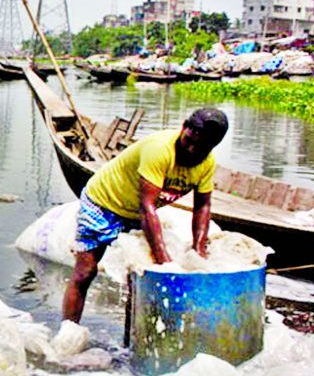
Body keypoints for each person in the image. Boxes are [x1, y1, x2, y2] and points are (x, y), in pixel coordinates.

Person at [62, 107, 229, 323]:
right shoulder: (160, 150)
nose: (192, 150)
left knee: (139, 278)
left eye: (201, 147)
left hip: (134, 212)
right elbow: (147, 206)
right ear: (183, 129)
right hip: (103, 202)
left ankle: (132, 342)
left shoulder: (206, 163)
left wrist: (198, 248)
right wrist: (164, 261)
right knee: (86, 271)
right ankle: (68, 335)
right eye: (189, 141)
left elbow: (202, 207)